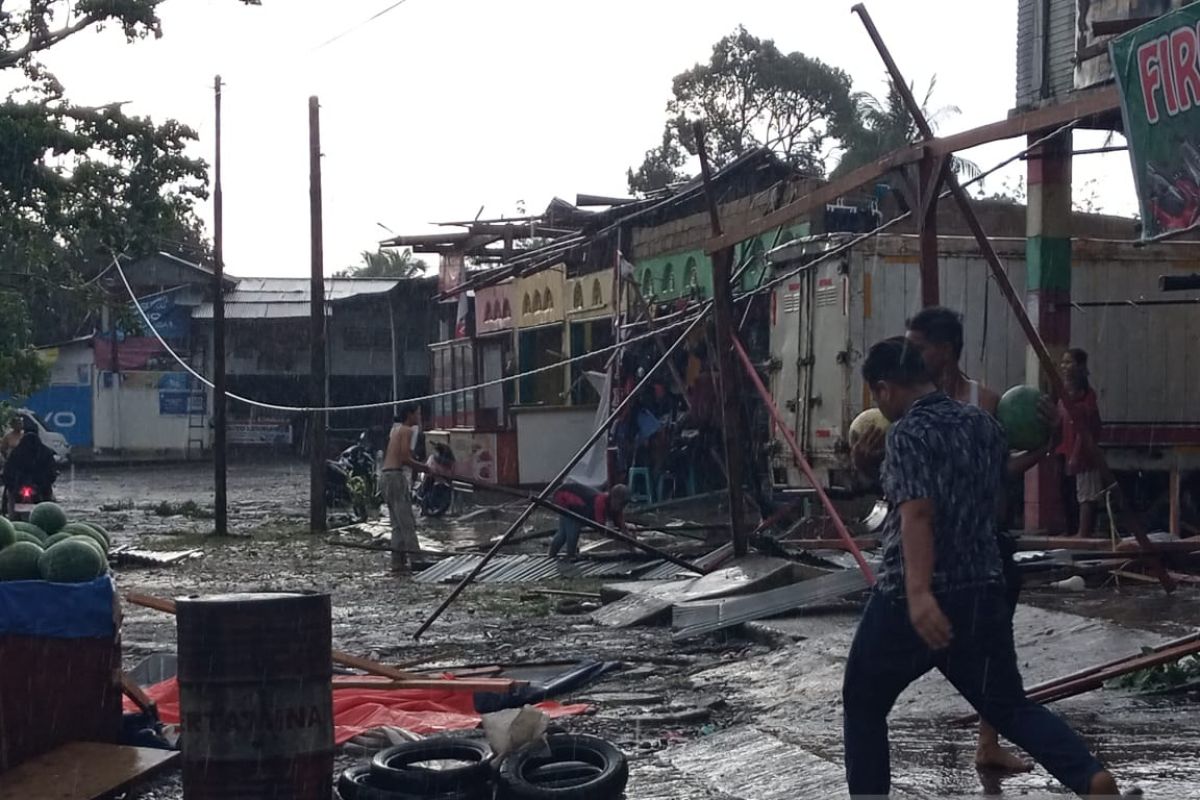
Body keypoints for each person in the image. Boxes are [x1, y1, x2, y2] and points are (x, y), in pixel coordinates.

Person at [842, 337, 1121, 799]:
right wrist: (1047, 444)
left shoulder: (909, 433)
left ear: (886, 388)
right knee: (1009, 706)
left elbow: (918, 512)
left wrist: (918, 593)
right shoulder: (982, 426)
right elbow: (999, 477)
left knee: (863, 701)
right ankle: (1090, 777)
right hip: (982, 589)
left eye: (876, 395)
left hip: (910, 598)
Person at [854, 306, 1059, 773]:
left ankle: (988, 743)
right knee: (996, 683)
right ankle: (1079, 772)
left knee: (984, 682)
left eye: (919, 344)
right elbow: (899, 491)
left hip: (953, 562)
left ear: (944, 351)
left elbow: (992, 474)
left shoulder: (982, 403)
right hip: (962, 569)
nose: (911, 351)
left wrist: (1041, 448)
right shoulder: (895, 415)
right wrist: (865, 465)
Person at [1059, 348, 1104, 537]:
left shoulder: (1086, 395)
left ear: (1080, 366)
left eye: (1069, 362)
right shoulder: (1063, 393)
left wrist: (1077, 453)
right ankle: (1072, 530)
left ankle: (1083, 533)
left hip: (1084, 450)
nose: (1064, 367)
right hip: (1066, 447)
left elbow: (1086, 427)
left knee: (1086, 493)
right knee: (1069, 493)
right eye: (1063, 362)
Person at [381, 403, 425, 572]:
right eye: (418, 414)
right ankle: (417, 561)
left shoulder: (395, 430)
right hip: (395, 477)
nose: (419, 417)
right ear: (410, 415)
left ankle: (397, 562)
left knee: (397, 524)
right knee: (407, 523)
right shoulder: (406, 430)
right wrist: (425, 468)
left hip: (385, 476)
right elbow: (405, 458)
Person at [548, 482, 631, 559]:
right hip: (565, 498)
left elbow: (623, 528)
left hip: (574, 502)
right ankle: (570, 555)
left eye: (624, 505)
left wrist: (631, 545)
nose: (621, 508)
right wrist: (617, 537)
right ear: (613, 499)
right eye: (621, 504)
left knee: (563, 533)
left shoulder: (617, 509)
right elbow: (600, 528)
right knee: (573, 529)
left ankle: (551, 555)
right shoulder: (600, 502)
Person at [2, 418, 58, 514]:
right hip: (37, 485)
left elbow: (8, 471)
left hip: (20, 484)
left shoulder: (17, 453)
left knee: (9, 498)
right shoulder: (45, 452)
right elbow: (51, 471)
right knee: (49, 502)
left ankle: (7, 512)